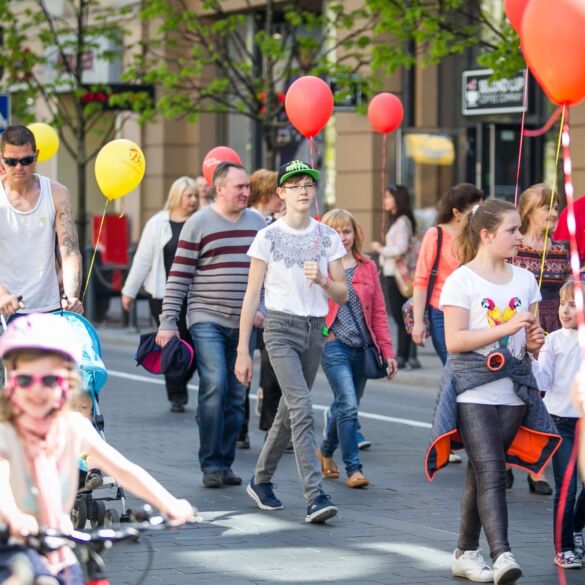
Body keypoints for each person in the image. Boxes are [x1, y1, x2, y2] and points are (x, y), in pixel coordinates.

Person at [0, 313, 195, 585]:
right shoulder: (7, 433)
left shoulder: (73, 427)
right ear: (10, 383)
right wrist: (13, 516)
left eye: (49, 380)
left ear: (67, 383)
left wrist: (168, 503)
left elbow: (124, 470)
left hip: (60, 548)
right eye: (24, 380)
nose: (36, 390)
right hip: (12, 545)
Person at [425, 199, 561, 584]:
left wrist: (534, 339)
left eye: (520, 229)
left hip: (514, 391)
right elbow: (455, 340)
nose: (520, 237)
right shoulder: (461, 280)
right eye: (512, 230)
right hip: (473, 391)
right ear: (486, 235)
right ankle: (502, 554)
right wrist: (507, 328)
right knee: (491, 471)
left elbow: (531, 340)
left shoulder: (523, 280)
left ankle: (465, 552)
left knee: (482, 474)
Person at [235, 160, 348, 523]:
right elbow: (252, 295)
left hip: (315, 330)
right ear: (280, 193)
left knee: (288, 409)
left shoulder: (326, 236)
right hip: (279, 329)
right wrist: (242, 351)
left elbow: (343, 294)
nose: (303, 190)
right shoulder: (266, 237)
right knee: (302, 408)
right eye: (294, 184)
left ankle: (261, 479)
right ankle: (315, 495)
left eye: (308, 184)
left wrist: (324, 283)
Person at [155, 162, 266, 489]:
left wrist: (260, 307)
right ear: (219, 189)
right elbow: (179, 276)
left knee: (236, 394)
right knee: (215, 382)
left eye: (247, 186)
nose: (246, 192)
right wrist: (168, 321)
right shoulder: (199, 223)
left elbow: (268, 276)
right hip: (206, 317)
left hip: (244, 324)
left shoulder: (258, 224)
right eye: (239, 187)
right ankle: (211, 464)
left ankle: (225, 460)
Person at [317, 209, 397, 488]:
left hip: (362, 346)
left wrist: (388, 352)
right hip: (333, 344)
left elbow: (378, 312)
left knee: (345, 406)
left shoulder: (367, 267)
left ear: (355, 233)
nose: (342, 237)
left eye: (347, 231)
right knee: (348, 404)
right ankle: (354, 469)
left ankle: (326, 451)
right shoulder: (318, 267)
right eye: (335, 232)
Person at [508, 183, 569, 495]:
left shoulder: (560, 249)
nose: (554, 213)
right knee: (518, 396)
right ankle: (505, 460)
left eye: (556, 207)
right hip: (523, 324)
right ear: (529, 212)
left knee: (543, 399)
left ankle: (537, 469)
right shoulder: (514, 250)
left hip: (554, 326)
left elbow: (570, 289)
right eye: (547, 207)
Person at [121, 176, 199, 413]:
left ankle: (181, 380)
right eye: (189, 196)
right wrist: (129, 292)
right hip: (162, 295)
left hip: (194, 294)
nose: (194, 200)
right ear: (176, 197)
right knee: (171, 343)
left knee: (194, 343)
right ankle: (176, 393)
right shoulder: (157, 223)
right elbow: (143, 259)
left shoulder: (200, 221)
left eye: (196, 195)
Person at [0, 125, 83, 318]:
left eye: (26, 160)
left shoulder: (57, 193)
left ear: (36, 155)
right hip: (4, 310)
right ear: (1, 158)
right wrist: (2, 295)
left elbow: (70, 252)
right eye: (11, 161)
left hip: (48, 308)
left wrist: (71, 297)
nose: (19, 167)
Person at [531, 279, 585, 569]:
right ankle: (563, 548)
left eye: (573, 304)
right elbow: (544, 381)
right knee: (567, 487)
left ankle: (576, 528)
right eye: (563, 303)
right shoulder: (553, 339)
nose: (565, 310)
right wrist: (529, 358)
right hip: (561, 423)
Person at [411, 183, 483, 364]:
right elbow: (421, 280)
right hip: (441, 312)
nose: (478, 215)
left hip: (473, 311)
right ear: (456, 213)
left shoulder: (478, 236)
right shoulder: (436, 235)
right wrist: (418, 322)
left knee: (469, 370)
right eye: (472, 211)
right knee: (455, 367)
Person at [371, 184, 419, 369]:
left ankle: (403, 356)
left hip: (399, 275)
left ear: (397, 199)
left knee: (401, 318)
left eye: (388, 197)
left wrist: (380, 249)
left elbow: (401, 248)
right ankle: (407, 356)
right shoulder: (399, 221)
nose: (385, 200)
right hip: (395, 273)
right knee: (403, 316)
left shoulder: (402, 222)